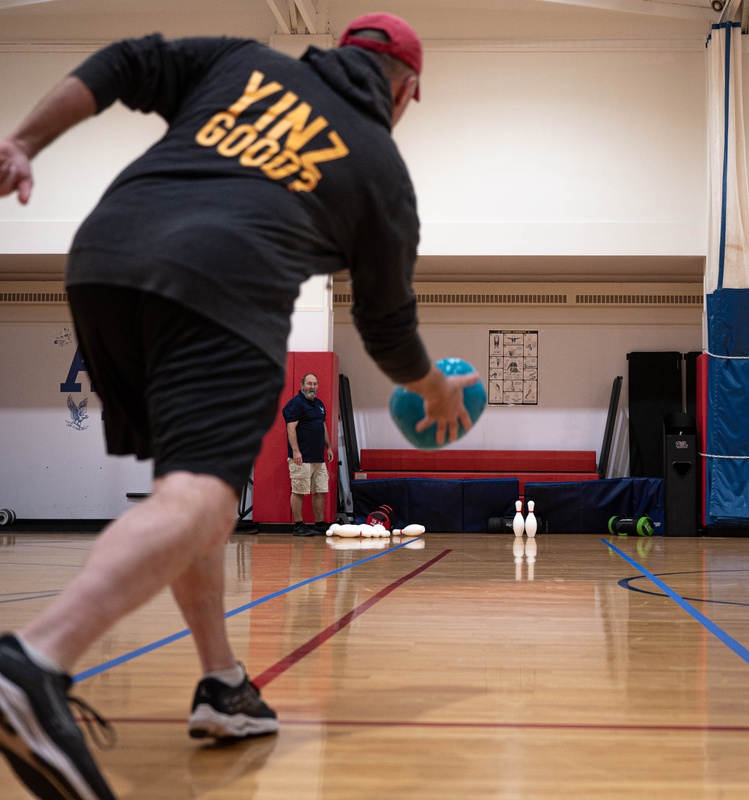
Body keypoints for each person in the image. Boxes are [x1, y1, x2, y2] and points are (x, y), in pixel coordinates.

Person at [0, 13, 479, 800]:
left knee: (188, 496)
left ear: (339, 54)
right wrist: (433, 391)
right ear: (407, 94)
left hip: (104, 260)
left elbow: (127, 58)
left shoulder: (243, 62)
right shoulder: (379, 168)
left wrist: (22, 142)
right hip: (222, 288)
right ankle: (37, 660)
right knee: (203, 495)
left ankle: (222, 683)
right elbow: (388, 329)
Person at [283, 372, 333, 536]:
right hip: (301, 457)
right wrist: (296, 452)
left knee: (320, 489)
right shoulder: (295, 404)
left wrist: (329, 447)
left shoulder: (319, 404)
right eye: (309, 383)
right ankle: (298, 526)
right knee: (299, 490)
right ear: (302, 385)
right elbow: (291, 429)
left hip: (318, 456)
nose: (312, 387)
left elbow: (322, 426)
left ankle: (319, 524)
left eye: (315, 384)